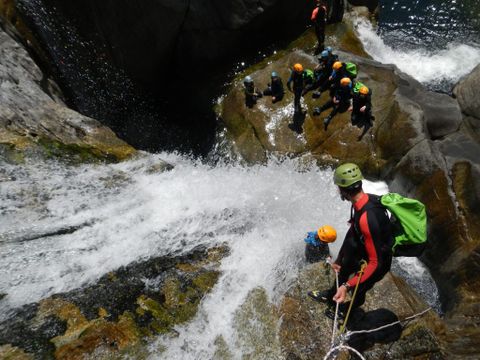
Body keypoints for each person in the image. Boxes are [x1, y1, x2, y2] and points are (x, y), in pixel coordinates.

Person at [308, 163, 394, 320]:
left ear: (343, 190)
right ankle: (331, 294)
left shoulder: (368, 217)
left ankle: (347, 309)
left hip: (377, 261)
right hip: (363, 250)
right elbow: (353, 231)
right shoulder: (361, 202)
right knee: (343, 268)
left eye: (338, 187)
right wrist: (340, 258)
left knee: (358, 290)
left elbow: (376, 263)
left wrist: (348, 286)